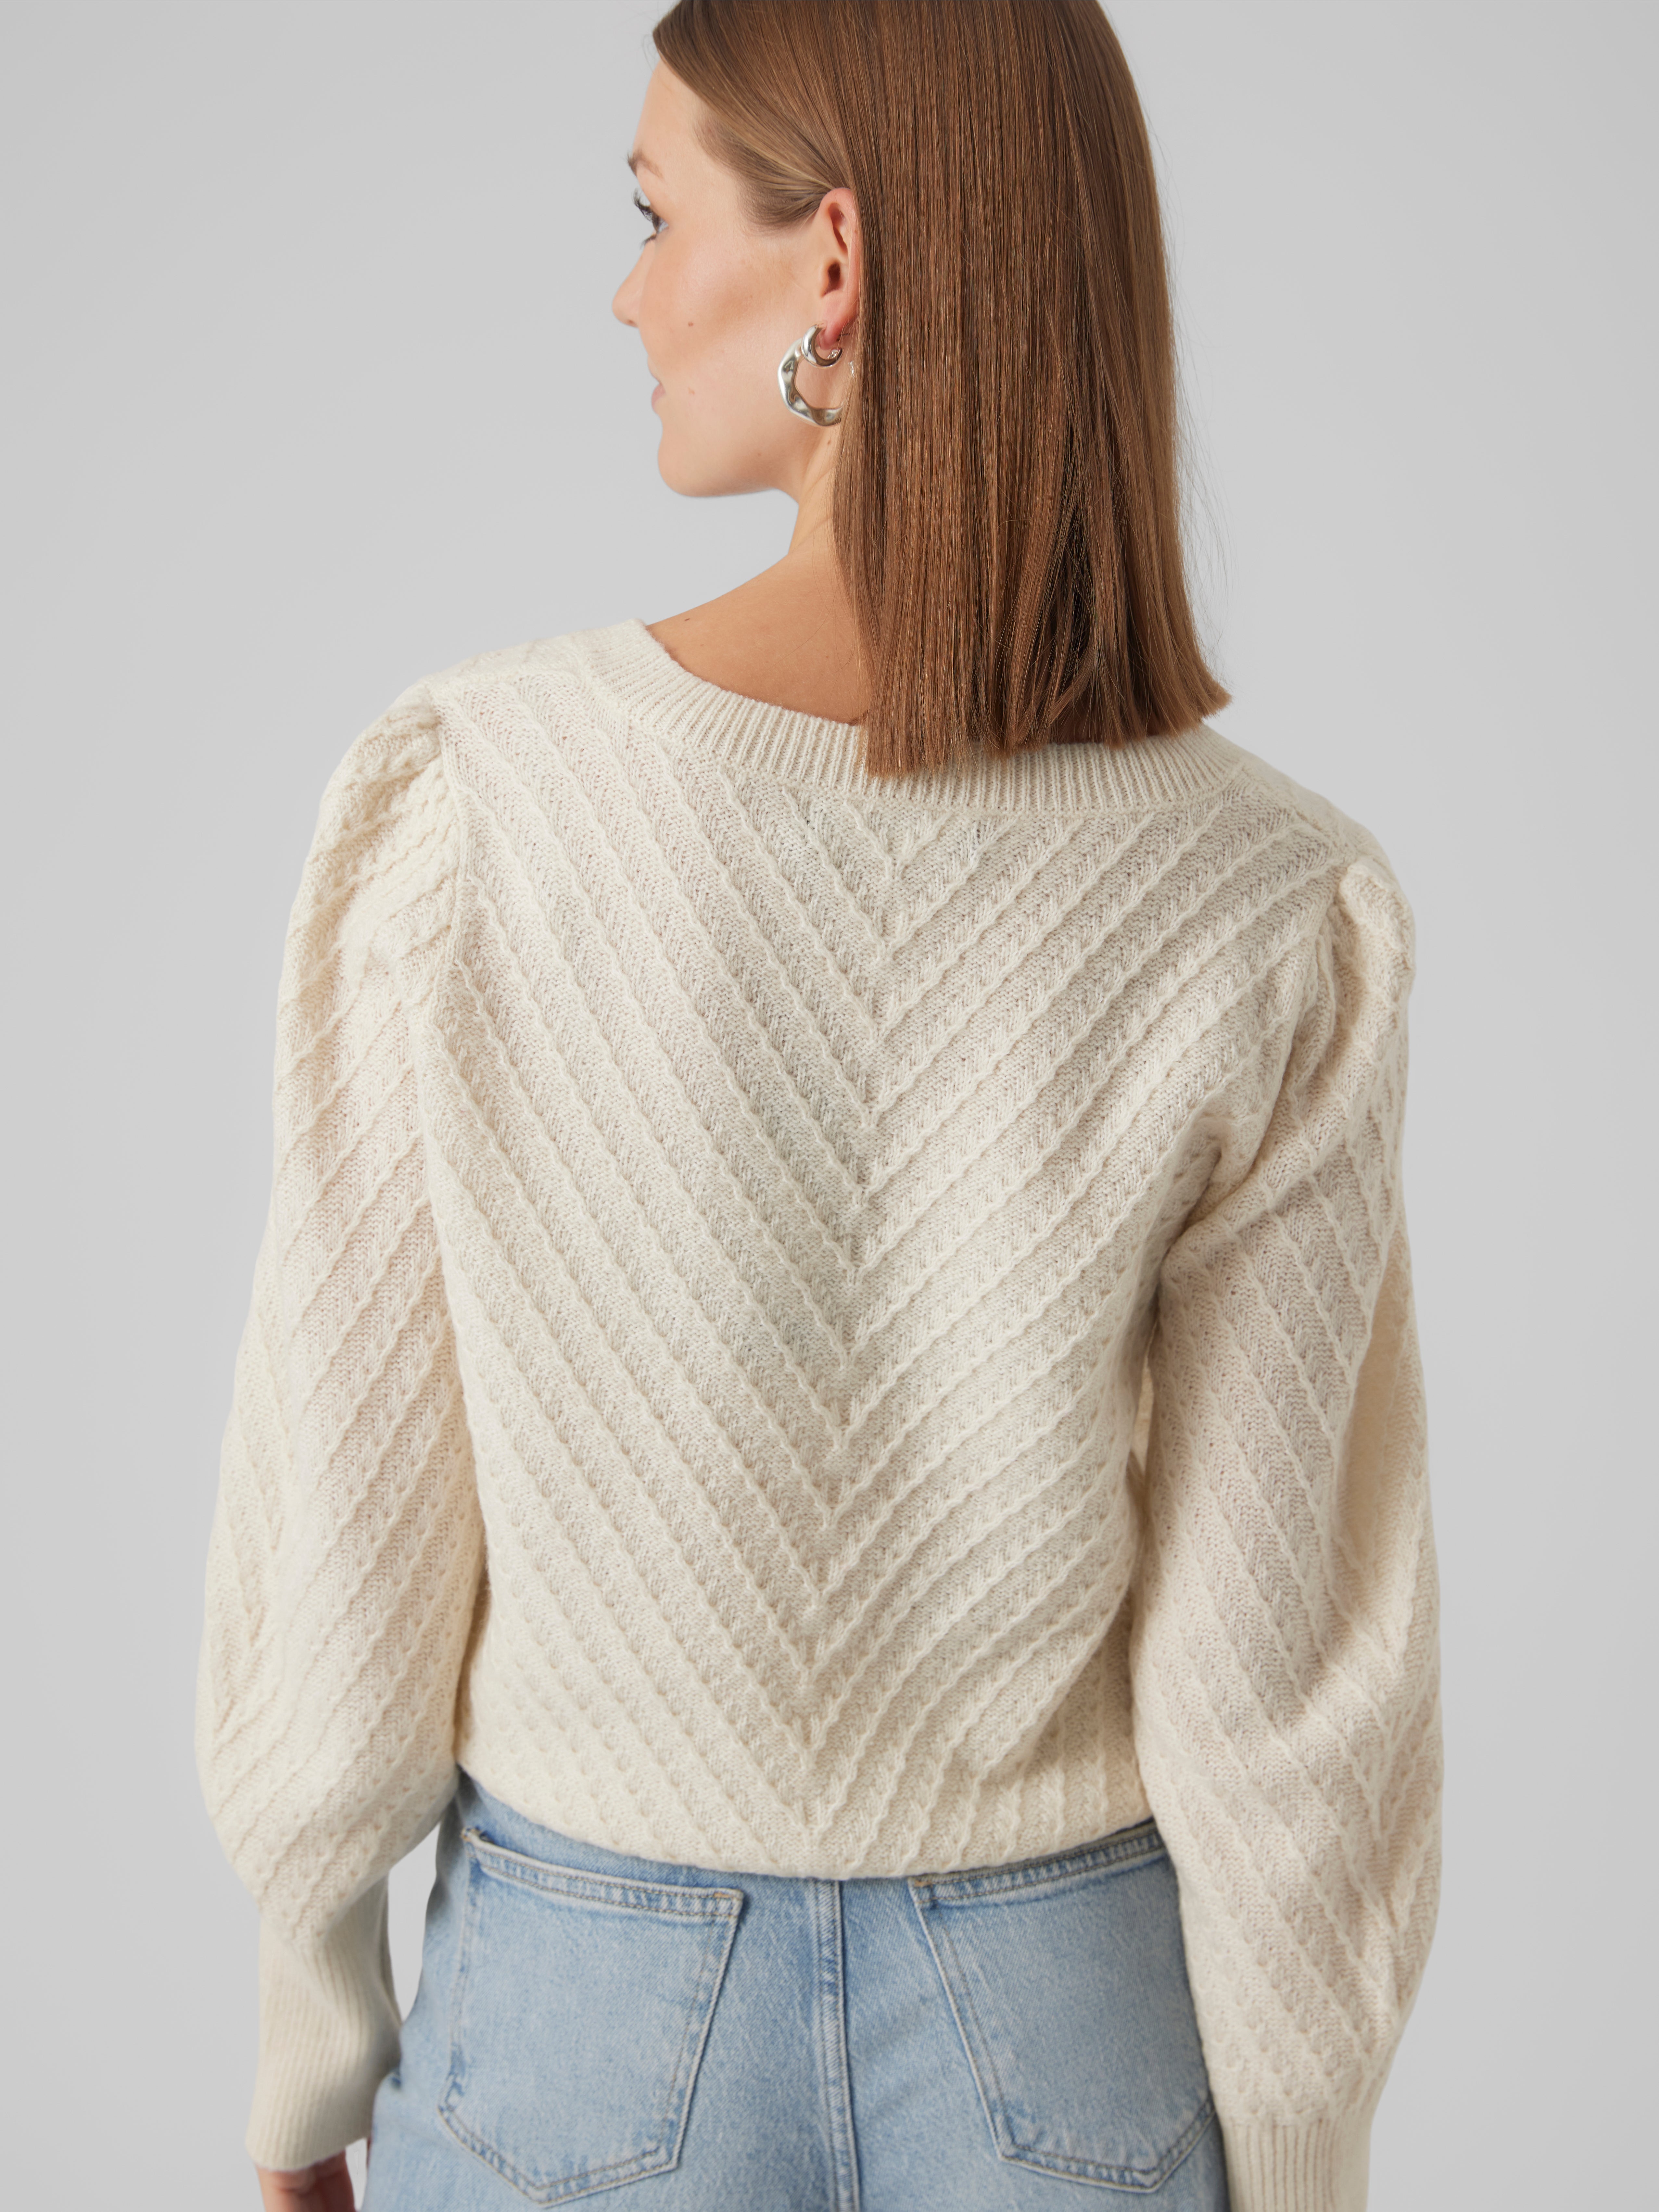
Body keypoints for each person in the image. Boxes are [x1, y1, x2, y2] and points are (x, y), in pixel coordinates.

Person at [196, 5, 1442, 2208]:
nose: (627, 292)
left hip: (583, 2020)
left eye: (653, 212)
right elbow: (1278, 1665)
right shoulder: (1269, 901)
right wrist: (1303, 2148)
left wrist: (312, 2018)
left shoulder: (477, 804)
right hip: (1073, 2026)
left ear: (834, 262)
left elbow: (352, 1496)